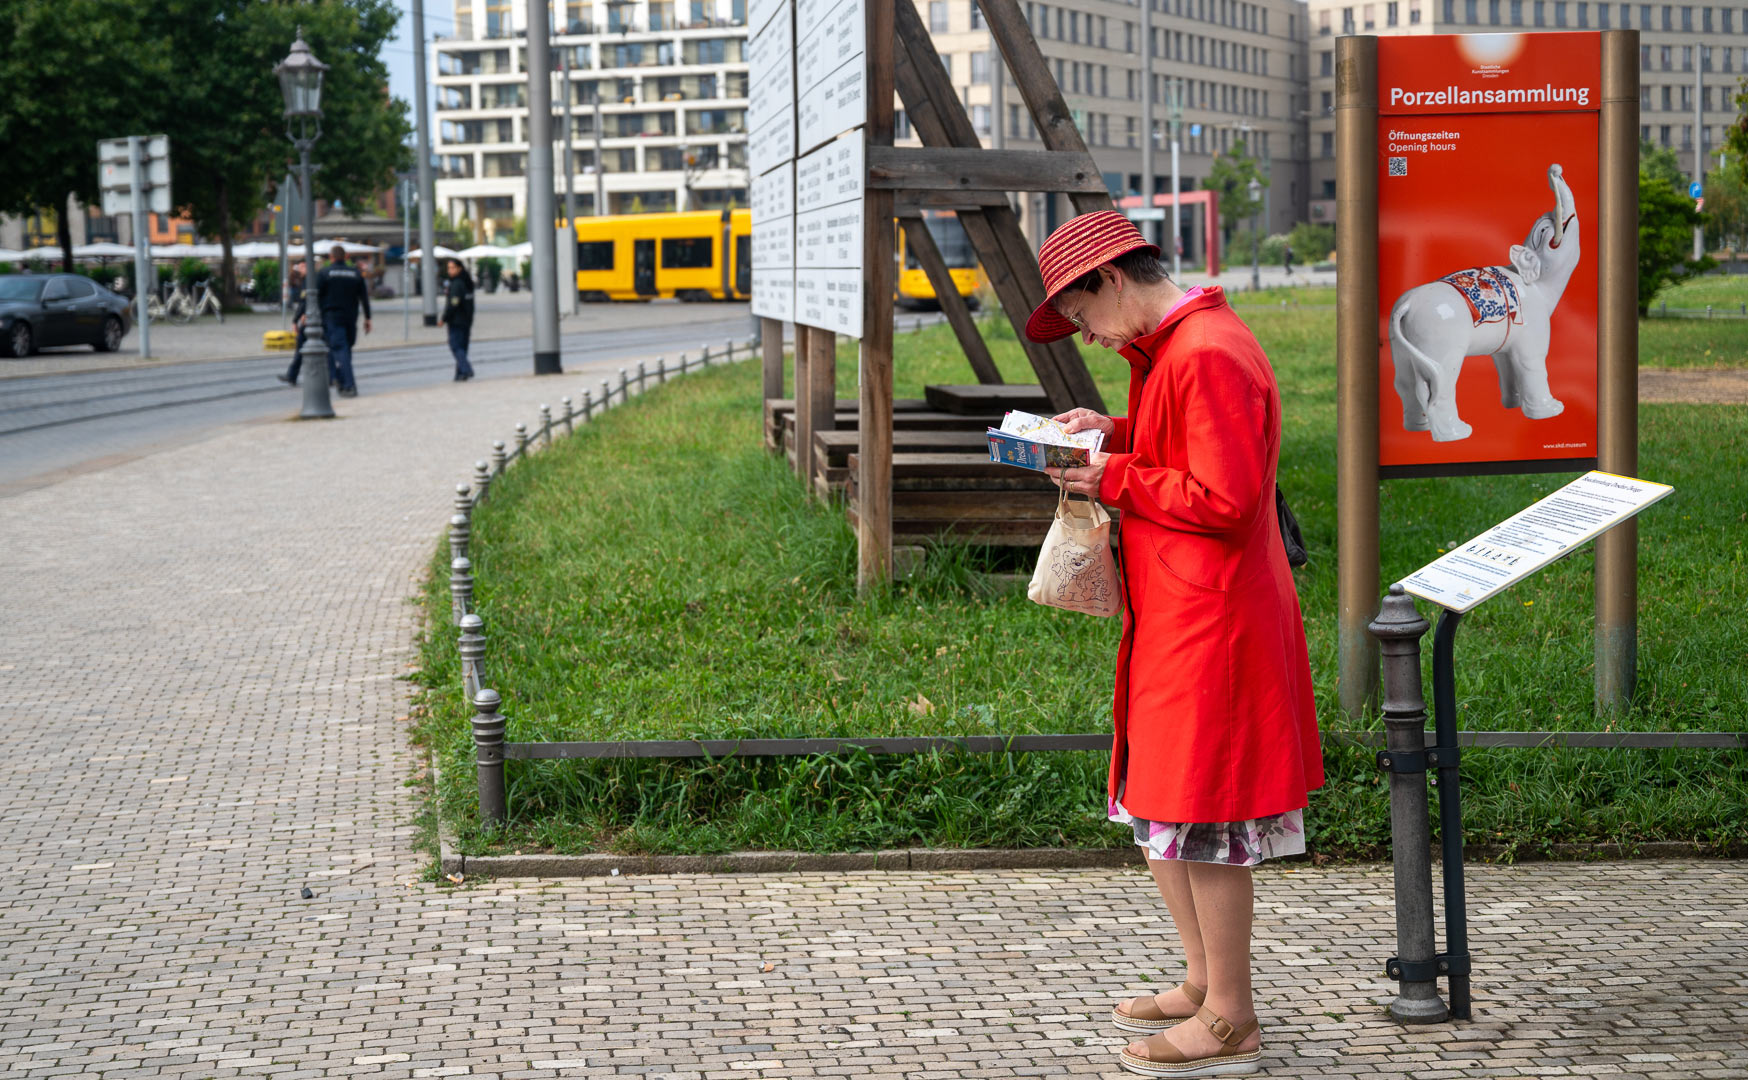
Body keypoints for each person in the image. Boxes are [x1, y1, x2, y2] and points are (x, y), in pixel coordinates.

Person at [1023, 211, 1322, 1078]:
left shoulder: (1206, 353)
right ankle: (1203, 982)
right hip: (1181, 611)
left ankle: (1231, 1015)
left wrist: (1110, 474)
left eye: (1079, 313)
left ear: (1110, 279)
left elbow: (1224, 498)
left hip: (1214, 620)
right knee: (1162, 799)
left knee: (1203, 810)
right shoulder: (1173, 350)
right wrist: (1112, 432)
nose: (1083, 331)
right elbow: (1186, 454)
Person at [314, 244, 371, 397]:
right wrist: (368, 318)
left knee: (340, 349)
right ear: (345, 257)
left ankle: (348, 385)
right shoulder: (355, 273)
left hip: (332, 317)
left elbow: (316, 296)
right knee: (345, 349)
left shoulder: (324, 273)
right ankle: (339, 378)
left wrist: (312, 315)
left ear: (331, 257)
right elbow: (364, 297)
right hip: (351, 317)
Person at [275, 264, 333, 387]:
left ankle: (292, 375)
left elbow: (305, 301)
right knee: (322, 348)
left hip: (311, 319)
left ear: (307, 267)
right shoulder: (315, 279)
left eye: (301, 267)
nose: (298, 270)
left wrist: (296, 319)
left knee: (304, 346)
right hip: (317, 318)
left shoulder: (309, 281)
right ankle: (331, 377)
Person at [438, 257, 475, 381]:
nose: (450, 270)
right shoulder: (467, 283)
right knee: (462, 348)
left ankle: (466, 369)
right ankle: (460, 374)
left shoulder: (456, 284)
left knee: (455, 345)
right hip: (466, 321)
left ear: (459, 268)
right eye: (449, 268)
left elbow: (453, 304)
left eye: (452, 268)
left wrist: (444, 318)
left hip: (456, 321)